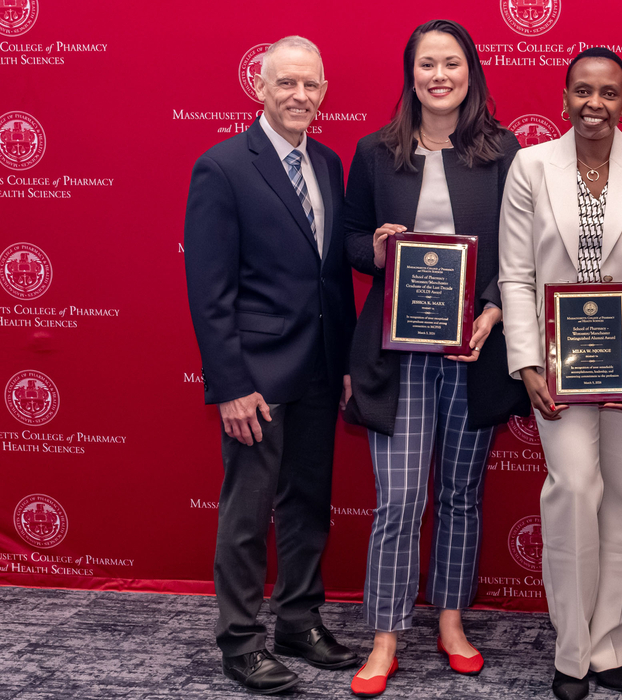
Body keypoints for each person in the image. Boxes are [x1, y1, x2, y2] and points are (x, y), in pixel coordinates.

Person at [339, 19, 530, 697]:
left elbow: (520, 251)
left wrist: (496, 313)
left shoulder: (502, 150)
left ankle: (451, 621)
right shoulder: (374, 152)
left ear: (471, 72)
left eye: (451, 63)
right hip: (397, 353)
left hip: (473, 348)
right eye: (427, 64)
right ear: (411, 74)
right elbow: (351, 241)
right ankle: (386, 635)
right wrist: (379, 251)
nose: (439, 75)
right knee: (398, 500)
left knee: (459, 495)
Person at [498, 47, 622, 700]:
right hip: (558, 366)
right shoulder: (530, 166)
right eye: (582, 91)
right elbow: (516, 273)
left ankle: (608, 648)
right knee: (575, 491)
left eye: (608, 93)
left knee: (621, 504)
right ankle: (570, 652)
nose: (594, 104)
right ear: (564, 98)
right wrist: (526, 362)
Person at [183, 35, 359, 695]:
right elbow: (210, 291)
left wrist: (341, 362)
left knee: (309, 505)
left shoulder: (330, 163)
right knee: (249, 512)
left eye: (311, 85)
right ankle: (239, 642)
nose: (300, 96)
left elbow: (333, 278)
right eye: (286, 83)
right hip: (255, 377)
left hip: (317, 369)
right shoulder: (222, 166)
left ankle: (298, 621)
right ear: (259, 86)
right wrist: (230, 385)